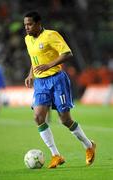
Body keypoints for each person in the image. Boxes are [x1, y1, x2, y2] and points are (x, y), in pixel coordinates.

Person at [24, 11, 96, 168]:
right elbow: (33, 58)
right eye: (25, 25)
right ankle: (56, 155)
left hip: (57, 80)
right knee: (38, 117)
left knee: (65, 120)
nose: (27, 28)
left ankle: (89, 145)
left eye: (29, 24)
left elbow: (67, 53)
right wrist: (31, 73)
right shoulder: (28, 39)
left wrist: (49, 65)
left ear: (38, 23)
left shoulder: (51, 35)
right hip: (40, 83)